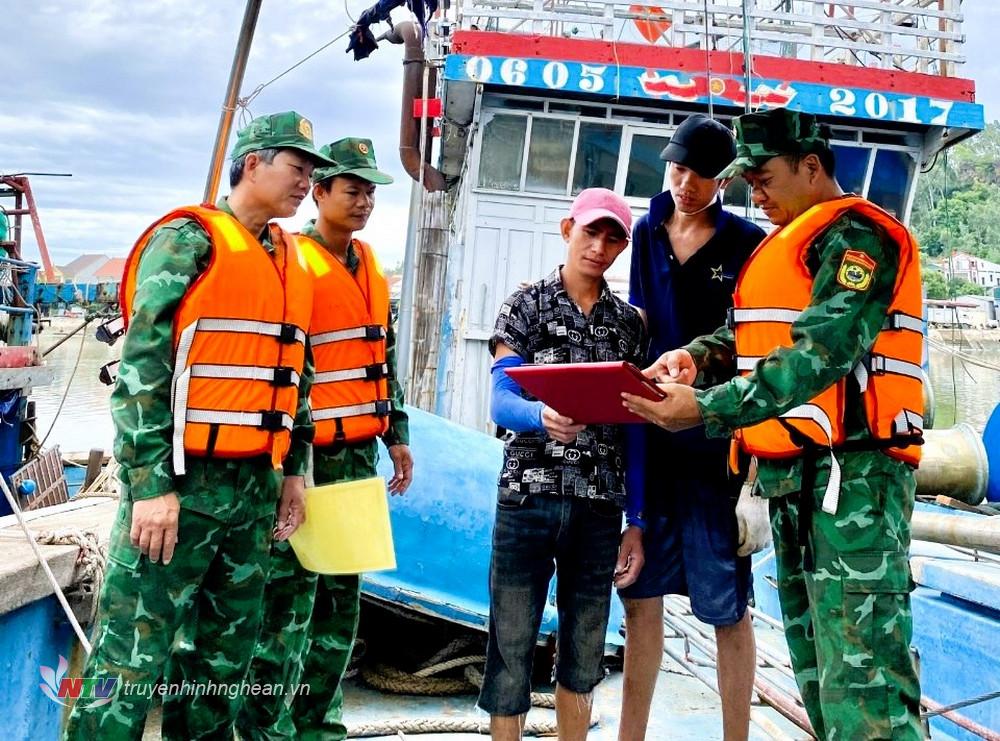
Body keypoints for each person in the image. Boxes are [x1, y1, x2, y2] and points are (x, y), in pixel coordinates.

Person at [623, 108, 924, 740]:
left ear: (811, 167)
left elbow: (822, 350)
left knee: (865, 684)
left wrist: (705, 407)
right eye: (747, 182)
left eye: (762, 178)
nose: (752, 194)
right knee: (819, 675)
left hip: (856, 485)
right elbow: (747, 334)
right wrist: (693, 357)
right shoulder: (788, 242)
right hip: (796, 484)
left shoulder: (858, 239)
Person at [65, 111, 334, 740]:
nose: (305, 183)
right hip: (180, 489)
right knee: (129, 661)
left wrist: (294, 470)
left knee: (223, 665)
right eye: (297, 168)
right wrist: (151, 486)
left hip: (252, 494)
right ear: (253, 164)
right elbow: (141, 371)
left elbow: (297, 374)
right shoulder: (190, 241)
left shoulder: (291, 257)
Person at [236, 137, 413, 741]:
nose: (363, 201)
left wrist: (398, 434)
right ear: (319, 192)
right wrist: (291, 461)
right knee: (286, 605)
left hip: (358, 456)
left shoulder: (371, 264)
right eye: (351, 189)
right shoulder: (294, 262)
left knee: (340, 605)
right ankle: (266, 728)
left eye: (370, 191)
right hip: (303, 459)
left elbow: (382, 358)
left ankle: (319, 725)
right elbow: (286, 368)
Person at [616, 114, 766, 741]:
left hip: (715, 445)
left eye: (701, 176)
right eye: (677, 169)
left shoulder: (746, 241)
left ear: (723, 180)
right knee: (640, 600)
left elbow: (754, 335)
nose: (685, 185)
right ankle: (631, 735)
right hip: (650, 436)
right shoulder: (646, 231)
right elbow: (637, 320)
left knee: (726, 606)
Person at [479, 188, 647, 741]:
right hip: (527, 496)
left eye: (612, 238)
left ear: (622, 247)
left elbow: (637, 429)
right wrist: (539, 417)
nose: (599, 247)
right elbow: (501, 397)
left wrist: (637, 523)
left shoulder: (630, 324)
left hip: (598, 506)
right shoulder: (524, 305)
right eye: (590, 233)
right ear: (567, 229)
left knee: (584, 646)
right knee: (511, 642)